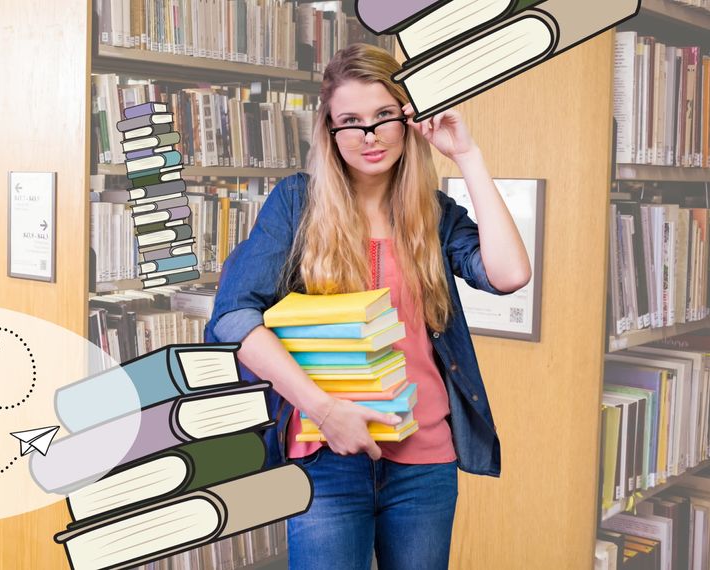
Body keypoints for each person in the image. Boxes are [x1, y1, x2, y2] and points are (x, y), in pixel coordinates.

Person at [203, 43, 532, 569]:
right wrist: (325, 410)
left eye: (384, 117)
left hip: (424, 463)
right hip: (325, 456)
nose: (370, 135)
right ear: (330, 132)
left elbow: (509, 274)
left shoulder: (435, 215)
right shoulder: (297, 204)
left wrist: (467, 156)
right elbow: (235, 318)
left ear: (408, 121)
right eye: (350, 121)